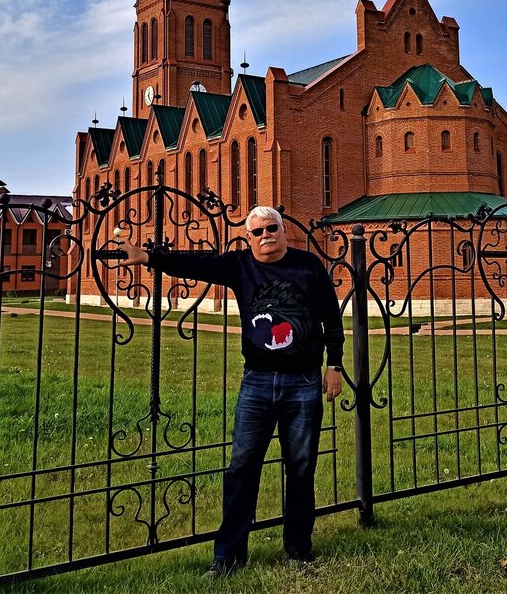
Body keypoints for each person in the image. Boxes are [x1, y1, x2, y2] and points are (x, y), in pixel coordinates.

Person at [116, 205, 344, 577]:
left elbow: (331, 318)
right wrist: (146, 257)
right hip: (256, 380)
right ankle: (228, 556)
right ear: (248, 237)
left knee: (301, 469)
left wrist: (334, 364)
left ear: (284, 231)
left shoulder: (309, 266)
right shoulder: (240, 266)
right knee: (241, 468)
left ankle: (299, 550)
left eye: (272, 228)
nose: (266, 235)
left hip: (303, 381)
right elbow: (197, 263)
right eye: (257, 232)